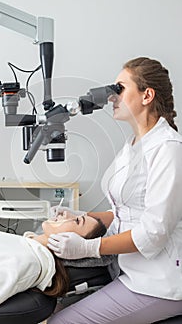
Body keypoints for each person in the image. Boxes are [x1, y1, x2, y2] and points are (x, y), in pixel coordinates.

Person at [47, 57, 182, 323]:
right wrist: (82, 216)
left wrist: (91, 247)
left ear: (147, 95)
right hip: (129, 271)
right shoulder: (133, 145)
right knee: (57, 307)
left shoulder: (168, 149)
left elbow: (153, 232)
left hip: (158, 283)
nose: (111, 97)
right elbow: (125, 210)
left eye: (119, 88)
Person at [0, 213, 106, 315]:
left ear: (73, 242)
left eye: (77, 220)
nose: (66, 213)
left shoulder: (29, 262)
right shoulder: (24, 245)